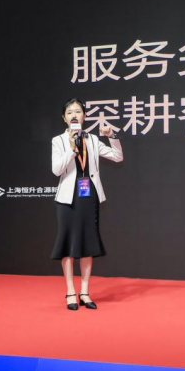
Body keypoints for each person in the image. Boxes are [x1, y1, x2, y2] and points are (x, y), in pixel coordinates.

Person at [51, 98, 123, 310]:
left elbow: (117, 157)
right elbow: (56, 170)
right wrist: (71, 148)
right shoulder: (58, 141)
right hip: (67, 197)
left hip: (89, 195)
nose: (74, 115)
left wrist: (112, 136)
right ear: (64, 118)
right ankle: (70, 292)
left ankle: (84, 291)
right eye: (69, 112)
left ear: (84, 116)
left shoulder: (92, 139)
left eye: (78, 111)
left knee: (87, 243)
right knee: (67, 244)